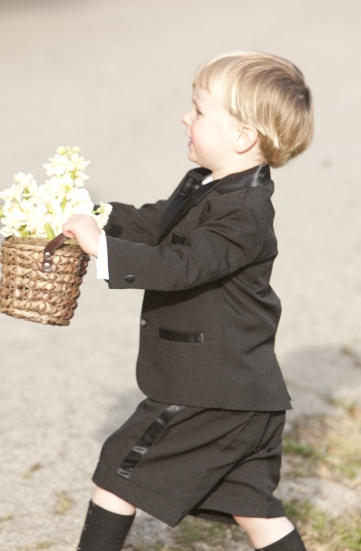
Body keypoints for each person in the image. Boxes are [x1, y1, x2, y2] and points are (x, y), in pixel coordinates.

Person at [62, 51, 314, 551]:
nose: (185, 117)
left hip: (213, 394)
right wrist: (97, 215)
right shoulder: (211, 187)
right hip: (241, 396)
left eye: (199, 112)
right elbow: (158, 226)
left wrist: (100, 248)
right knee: (254, 510)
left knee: (119, 470)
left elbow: (183, 265)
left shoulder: (244, 215)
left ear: (243, 137)